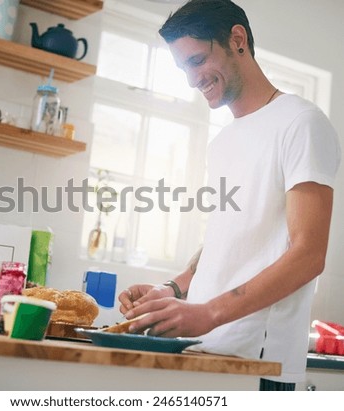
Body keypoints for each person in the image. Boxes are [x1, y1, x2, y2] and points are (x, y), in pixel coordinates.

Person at [118, 0, 341, 391]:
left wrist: (207, 313)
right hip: (207, 351)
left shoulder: (301, 122)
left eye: (197, 60)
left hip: (259, 364)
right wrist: (172, 289)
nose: (192, 79)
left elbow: (309, 255)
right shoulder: (223, 141)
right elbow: (228, 238)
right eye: (183, 67)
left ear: (237, 39)